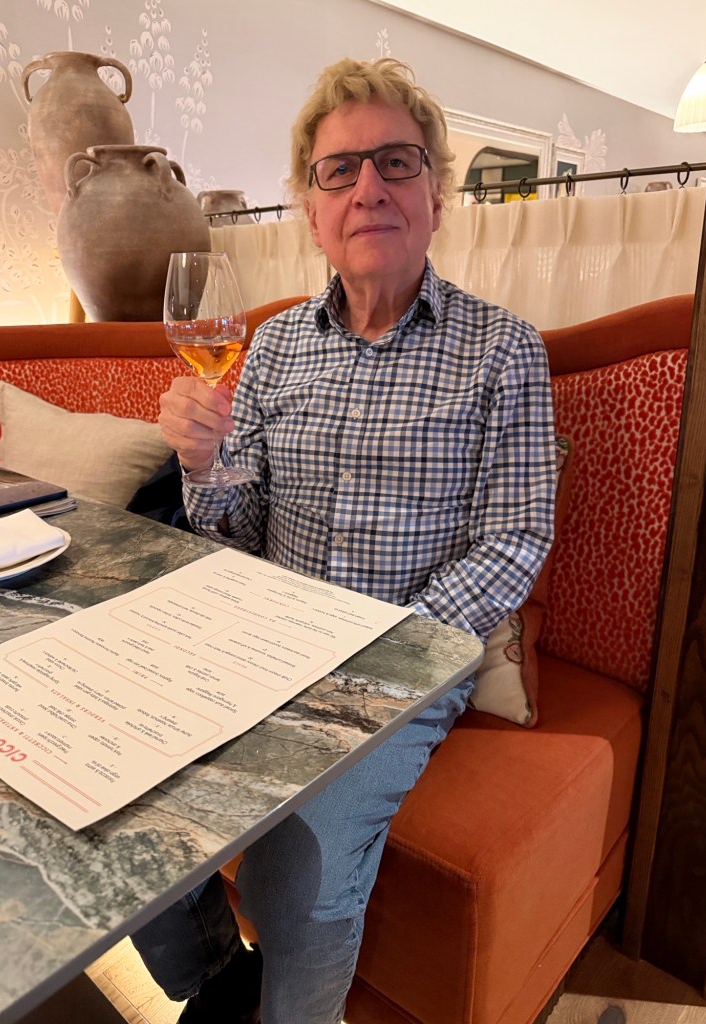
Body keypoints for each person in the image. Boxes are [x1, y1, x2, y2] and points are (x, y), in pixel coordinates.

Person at [132, 56, 557, 1024]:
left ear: (436, 196)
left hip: (406, 661)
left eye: (397, 162)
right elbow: (235, 535)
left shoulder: (503, 349)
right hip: (264, 639)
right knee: (116, 773)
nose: (369, 187)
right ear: (313, 210)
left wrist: (384, 647)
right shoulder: (273, 345)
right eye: (340, 170)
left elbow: (515, 539)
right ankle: (215, 976)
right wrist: (204, 466)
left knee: (295, 870)